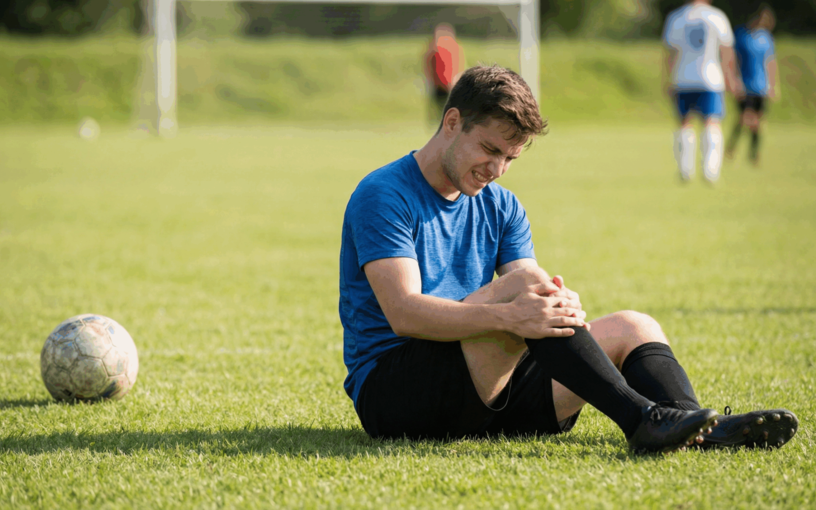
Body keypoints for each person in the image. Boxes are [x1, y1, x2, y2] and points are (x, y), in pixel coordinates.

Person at [339, 65, 798, 453]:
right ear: (453, 122)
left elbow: (531, 291)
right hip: (396, 394)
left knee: (634, 327)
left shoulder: (502, 205)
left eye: (510, 158)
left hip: (482, 385)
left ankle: (701, 430)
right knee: (525, 295)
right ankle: (642, 419)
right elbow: (403, 313)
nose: (497, 169)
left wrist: (552, 305)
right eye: (490, 150)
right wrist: (515, 313)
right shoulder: (384, 195)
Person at [663, 0, 743, 184]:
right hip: (711, 79)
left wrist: (668, 79)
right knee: (711, 122)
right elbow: (726, 51)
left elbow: (670, 53)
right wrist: (731, 78)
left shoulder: (677, 17)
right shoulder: (716, 16)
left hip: (682, 78)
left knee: (685, 123)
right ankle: (710, 171)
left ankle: (685, 170)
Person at [725, 4, 779, 165]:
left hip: (761, 86)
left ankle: (754, 154)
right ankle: (731, 148)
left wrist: (773, 85)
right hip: (745, 85)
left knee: (758, 122)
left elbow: (771, 62)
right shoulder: (741, 35)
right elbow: (732, 60)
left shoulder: (766, 38)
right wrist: (733, 80)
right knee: (744, 118)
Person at [424, 23, 465, 125]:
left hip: (448, 82)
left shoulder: (451, 48)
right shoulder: (434, 50)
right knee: (440, 106)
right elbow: (429, 65)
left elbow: (457, 64)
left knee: (449, 107)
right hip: (438, 82)